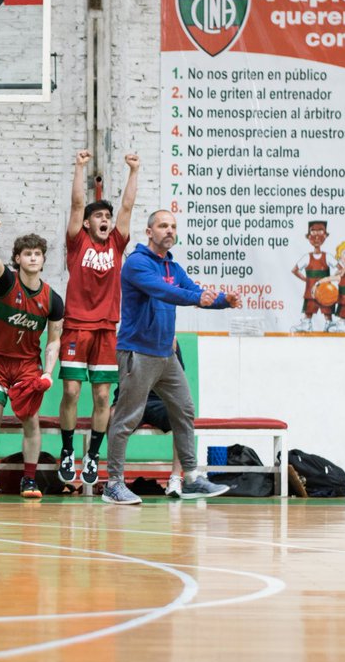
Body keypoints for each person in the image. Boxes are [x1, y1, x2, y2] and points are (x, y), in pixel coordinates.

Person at [102, 210, 241, 505]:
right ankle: (113, 483)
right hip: (138, 352)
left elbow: (191, 290)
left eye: (173, 226)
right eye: (163, 225)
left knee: (184, 409)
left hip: (166, 354)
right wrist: (195, 298)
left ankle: (190, 477)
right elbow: (163, 291)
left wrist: (222, 302)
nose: (169, 230)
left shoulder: (173, 266)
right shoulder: (137, 264)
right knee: (127, 418)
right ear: (149, 232)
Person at [58, 151, 137, 489]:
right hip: (76, 325)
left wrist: (134, 171)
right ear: (89, 223)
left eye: (107, 215)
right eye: (99, 216)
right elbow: (77, 205)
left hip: (106, 329)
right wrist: (79, 167)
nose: (105, 219)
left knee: (103, 397)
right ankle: (67, 450)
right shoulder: (78, 244)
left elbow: (128, 208)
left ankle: (93, 454)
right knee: (73, 391)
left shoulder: (117, 244)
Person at [0, 218, 63, 500]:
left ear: (43, 259)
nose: (33, 257)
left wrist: (47, 372)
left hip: (27, 366)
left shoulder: (53, 299)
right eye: (27, 253)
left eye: (37, 253)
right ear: (18, 258)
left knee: (30, 420)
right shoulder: (7, 282)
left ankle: (29, 480)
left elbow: (54, 341)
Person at [111, 340, 186, 497]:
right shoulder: (128, 338)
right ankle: (116, 481)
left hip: (159, 400)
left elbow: (176, 380)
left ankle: (176, 478)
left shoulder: (169, 340)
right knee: (111, 416)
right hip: (131, 397)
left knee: (181, 414)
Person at [291, 220, 334, 333]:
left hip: (326, 292)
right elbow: (294, 270)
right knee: (309, 310)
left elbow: (341, 269)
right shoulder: (306, 257)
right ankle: (306, 325)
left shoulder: (328, 257)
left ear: (325, 236)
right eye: (313, 233)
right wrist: (306, 280)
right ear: (309, 236)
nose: (316, 237)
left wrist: (330, 279)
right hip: (311, 292)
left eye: (320, 233)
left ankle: (329, 325)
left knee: (327, 311)